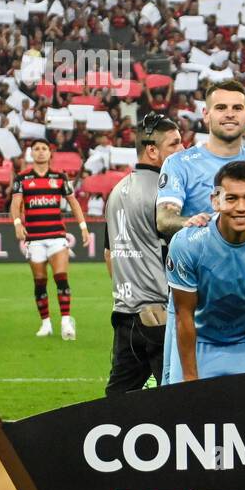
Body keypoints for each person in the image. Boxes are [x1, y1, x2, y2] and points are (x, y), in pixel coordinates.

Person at [156, 79, 245, 383]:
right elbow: (165, 218)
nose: (229, 114)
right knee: (181, 397)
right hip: (195, 301)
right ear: (205, 114)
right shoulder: (181, 163)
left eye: (237, 108)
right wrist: (190, 222)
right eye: (221, 107)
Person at [166, 161, 245, 381]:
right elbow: (183, 315)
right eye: (231, 198)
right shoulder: (187, 243)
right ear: (215, 201)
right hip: (200, 339)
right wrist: (189, 381)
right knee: (186, 412)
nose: (242, 208)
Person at [103, 114, 182, 394]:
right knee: (174, 399)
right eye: (174, 144)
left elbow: (108, 253)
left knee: (117, 400)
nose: (181, 151)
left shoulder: (116, 191)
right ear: (152, 150)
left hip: (124, 312)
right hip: (159, 314)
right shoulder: (164, 194)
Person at [10, 138, 90, 340]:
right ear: (31, 153)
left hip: (56, 236)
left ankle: (65, 321)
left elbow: (74, 203)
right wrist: (18, 223)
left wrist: (83, 227)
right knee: (39, 282)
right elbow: (15, 203)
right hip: (35, 238)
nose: (40, 152)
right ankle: (46, 323)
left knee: (61, 277)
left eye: (44, 148)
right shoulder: (23, 178)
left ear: (49, 153)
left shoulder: (60, 177)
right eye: (36, 149)